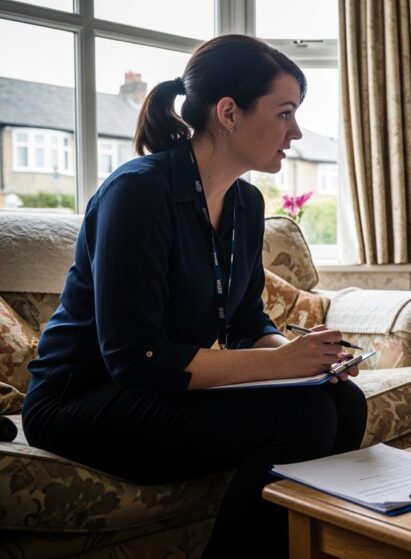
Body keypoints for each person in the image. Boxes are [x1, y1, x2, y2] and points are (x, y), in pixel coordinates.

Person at [21, 35, 367, 558]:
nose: (296, 132)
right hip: (81, 400)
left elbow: (248, 320)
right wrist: (280, 368)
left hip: (161, 392)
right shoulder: (139, 192)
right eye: (284, 113)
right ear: (229, 112)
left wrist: (309, 360)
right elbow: (137, 360)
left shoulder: (247, 205)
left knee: (342, 400)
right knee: (306, 416)